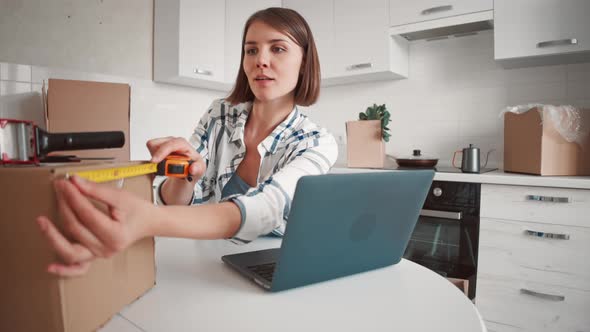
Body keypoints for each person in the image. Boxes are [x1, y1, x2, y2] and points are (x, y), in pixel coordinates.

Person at [36, 7, 338, 277]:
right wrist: (188, 175)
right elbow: (173, 200)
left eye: (278, 49)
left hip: (268, 266)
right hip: (199, 261)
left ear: (304, 61)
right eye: (251, 50)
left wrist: (150, 220)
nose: (261, 60)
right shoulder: (220, 113)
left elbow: (266, 208)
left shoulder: (316, 142)